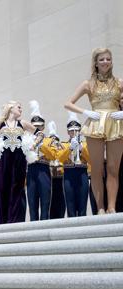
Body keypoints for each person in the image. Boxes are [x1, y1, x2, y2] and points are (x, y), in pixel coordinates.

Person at [64, 48, 123, 214]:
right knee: (97, 168)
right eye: (102, 59)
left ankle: (112, 206)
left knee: (113, 168)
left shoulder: (119, 82)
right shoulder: (88, 84)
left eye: (108, 59)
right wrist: (85, 112)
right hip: (96, 123)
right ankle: (100, 207)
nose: (105, 62)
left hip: (116, 123)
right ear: (96, 63)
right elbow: (68, 103)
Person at [0, 101, 38, 224]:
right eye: (19, 107)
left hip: (19, 159)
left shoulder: (23, 123)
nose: (21, 109)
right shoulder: (0, 123)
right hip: (4, 159)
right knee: (4, 188)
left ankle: (17, 220)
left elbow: (40, 133)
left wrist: (34, 145)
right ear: (11, 108)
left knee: (18, 188)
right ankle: (4, 221)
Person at [57, 112, 90, 217]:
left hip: (82, 174)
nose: (74, 132)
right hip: (69, 174)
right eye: (72, 130)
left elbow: (91, 159)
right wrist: (70, 148)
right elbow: (60, 159)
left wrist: (82, 148)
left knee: (82, 207)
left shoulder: (85, 144)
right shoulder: (64, 145)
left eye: (76, 130)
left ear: (80, 131)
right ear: (68, 131)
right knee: (70, 207)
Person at [26, 100, 54, 221]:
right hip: (31, 170)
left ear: (43, 127)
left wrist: (40, 143)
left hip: (43, 170)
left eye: (39, 126)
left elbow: (53, 155)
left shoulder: (49, 140)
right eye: (34, 126)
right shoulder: (26, 140)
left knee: (45, 203)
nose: (36, 128)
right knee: (32, 205)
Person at [47, 122, 66, 219]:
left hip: (60, 178)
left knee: (61, 202)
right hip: (49, 178)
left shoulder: (62, 148)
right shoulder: (47, 149)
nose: (54, 143)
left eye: (56, 141)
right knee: (50, 203)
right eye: (52, 141)